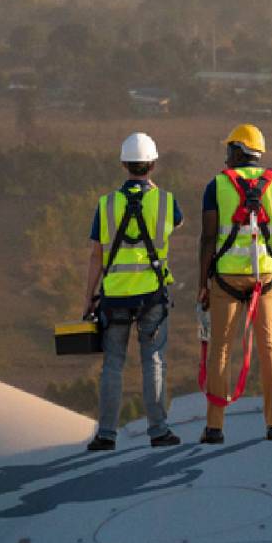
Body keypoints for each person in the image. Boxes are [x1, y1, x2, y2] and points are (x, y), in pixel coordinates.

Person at [196, 123, 272, 444]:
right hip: (266, 279)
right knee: (270, 349)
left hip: (226, 279)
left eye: (228, 149)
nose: (226, 156)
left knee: (220, 350)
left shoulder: (216, 185)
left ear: (237, 151)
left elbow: (207, 238)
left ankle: (215, 428)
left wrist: (202, 284)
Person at [81, 133, 184, 451]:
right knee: (153, 360)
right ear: (153, 164)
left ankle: (106, 435)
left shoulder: (106, 204)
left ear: (124, 164)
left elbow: (97, 254)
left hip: (114, 297)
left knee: (113, 363)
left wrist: (89, 296)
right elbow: (175, 225)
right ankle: (158, 431)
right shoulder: (167, 202)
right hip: (153, 294)